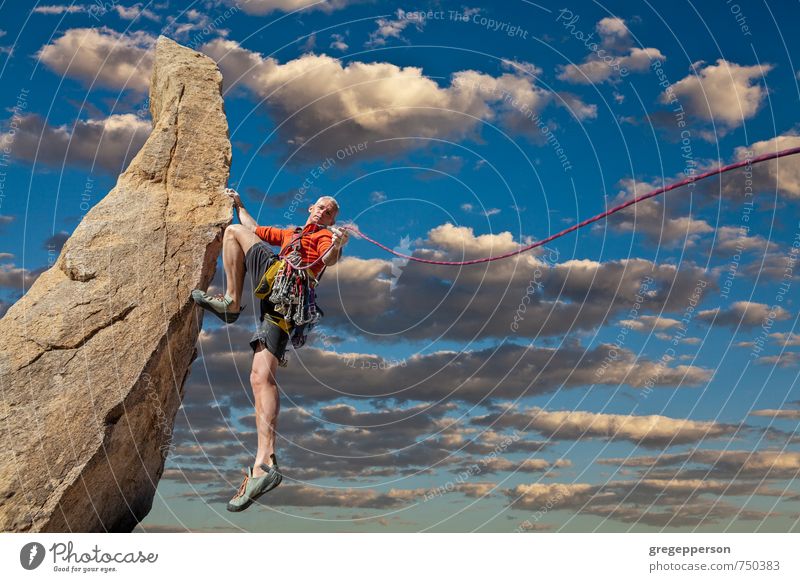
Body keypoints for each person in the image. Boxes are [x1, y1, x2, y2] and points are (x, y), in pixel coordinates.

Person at [191, 188, 349, 512]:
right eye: (321, 207)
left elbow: (329, 258)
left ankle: (232, 303)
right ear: (310, 207)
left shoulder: (321, 238)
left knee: (261, 376)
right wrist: (240, 205)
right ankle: (264, 462)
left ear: (333, 220)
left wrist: (337, 242)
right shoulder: (292, 232)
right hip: (275, 286)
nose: (323, 212)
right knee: (259, 376)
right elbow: (255, 228)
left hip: (288, 289)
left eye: (330, 212)